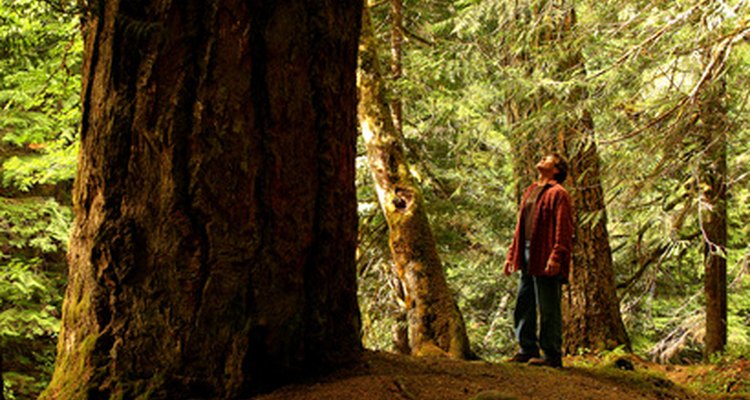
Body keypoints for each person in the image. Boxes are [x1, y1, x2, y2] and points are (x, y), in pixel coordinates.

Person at [503, 153, 574, 368]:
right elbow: (520, 226)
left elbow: (564, 228)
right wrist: (511, 255)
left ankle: (552, 355)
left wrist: (556, 256)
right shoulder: (532, 191)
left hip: (545, 254)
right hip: (526, 252)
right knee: (524, 302)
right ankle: (527, 348)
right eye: (541, 157)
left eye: (548, 159)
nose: (542, 159)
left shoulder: (559, 193)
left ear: (557, 170)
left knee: (548, 306)